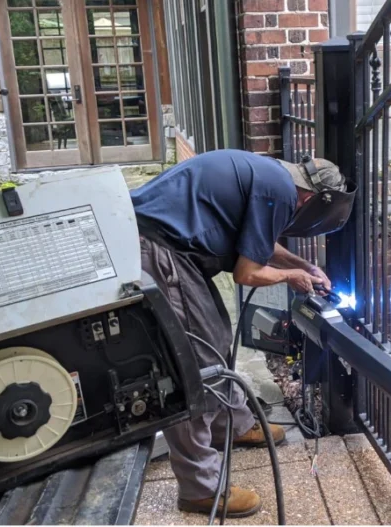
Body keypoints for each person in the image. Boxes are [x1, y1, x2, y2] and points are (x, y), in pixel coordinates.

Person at [130, 149, 355, 518]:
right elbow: (247, 273)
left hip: (166, 246)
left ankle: (229, 426)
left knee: (215, 339)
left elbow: (261, 242)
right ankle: (201, 488)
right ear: (312, 200)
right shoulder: (279, 192)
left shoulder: (272, 177)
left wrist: (304, 266)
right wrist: (291, 277)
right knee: (193, 364)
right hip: (158, 250)